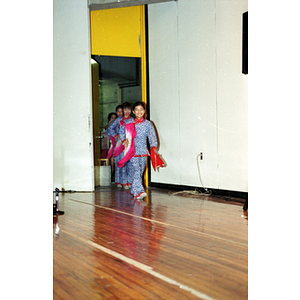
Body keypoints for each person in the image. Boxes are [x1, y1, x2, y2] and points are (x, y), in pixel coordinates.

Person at [118, 101, 164, 200]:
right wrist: (123, 140)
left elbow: (152, 137)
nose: (139, 111)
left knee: (140, 172)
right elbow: (121, 131)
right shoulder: (129, 122)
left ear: (144, 111)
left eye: (141, 109)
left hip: (143, 151)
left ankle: (133, 190)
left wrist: (154, 147)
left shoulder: (148, 124)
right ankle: (139, 191)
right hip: (132, 151)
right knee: (136, 170)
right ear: (133, 111)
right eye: (137, 109)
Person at [106, 102, 133, 188]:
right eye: (124, 110)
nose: (125, 111)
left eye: (128, 109)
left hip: (129, 144)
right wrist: (115, 135)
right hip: (119, 144)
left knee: (129, 163)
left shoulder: (132, 119)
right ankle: (120, 182)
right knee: (121, 163)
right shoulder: (118, 120)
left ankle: (127, 182)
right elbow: (109, 129)